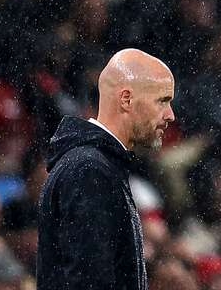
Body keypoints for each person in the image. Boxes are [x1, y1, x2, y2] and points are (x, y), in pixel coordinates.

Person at [36, 48, 176, 289]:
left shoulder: (98, 165)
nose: (170, 115)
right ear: (126, 99)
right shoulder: (89, 170)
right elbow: (89, 281)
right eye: (162, 101)